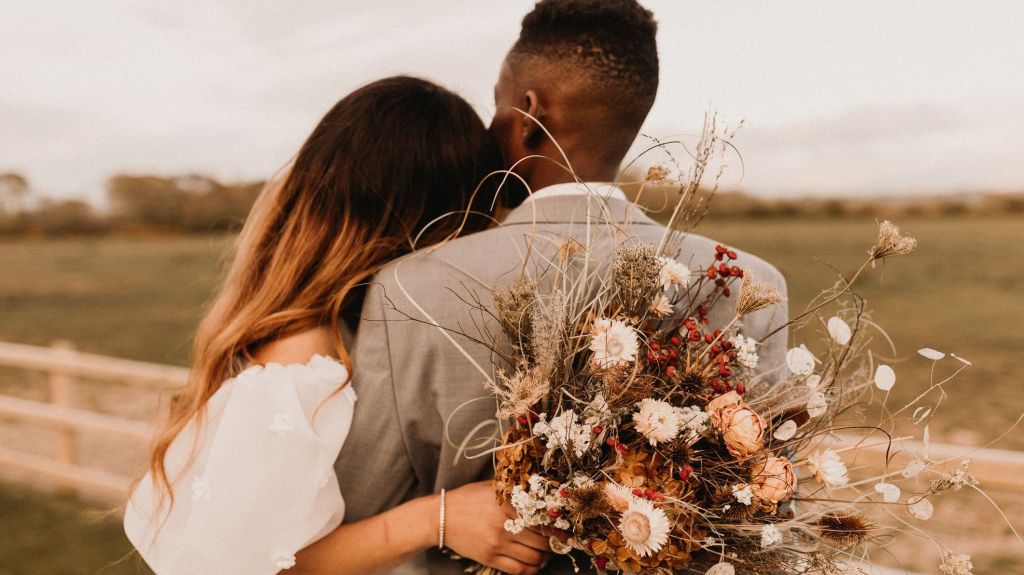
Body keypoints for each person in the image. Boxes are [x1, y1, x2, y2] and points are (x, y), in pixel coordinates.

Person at [333, 1, 789, 574]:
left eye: (495, 103)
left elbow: (355, 515)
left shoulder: (410, 285)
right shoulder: (752, 285)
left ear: (526, 115)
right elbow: (769, 500)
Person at [123, 76, 552, 575]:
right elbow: (240, 567)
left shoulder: (325, 330)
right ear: (438, 217)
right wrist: (436, 518)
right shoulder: (305, 355)